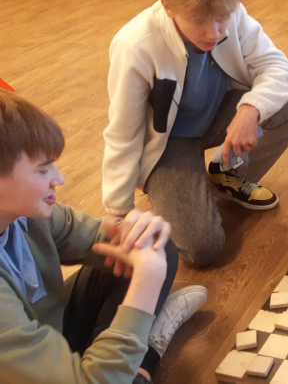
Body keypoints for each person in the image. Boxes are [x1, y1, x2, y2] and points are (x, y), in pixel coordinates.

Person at [102, 0, 288, 265]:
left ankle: (227, 176)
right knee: (203, 249)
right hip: (167, 144)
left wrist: (249, 110)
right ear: (168, 7)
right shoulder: (134, 45)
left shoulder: (231, 12)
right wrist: (119, 211)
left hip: (216, 115)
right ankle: (176, 186)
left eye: (222, 19)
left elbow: (278, 67)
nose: (214, 33)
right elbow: (123, 132)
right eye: (199, 21)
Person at [0, 90, 207, 384]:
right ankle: (143, 356)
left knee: (156, 247)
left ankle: (123, 356)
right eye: (42, 170)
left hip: (43, 333)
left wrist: (134, 233)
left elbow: (97, 237)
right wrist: (146, 286)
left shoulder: (25, 216)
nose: (59, 179)